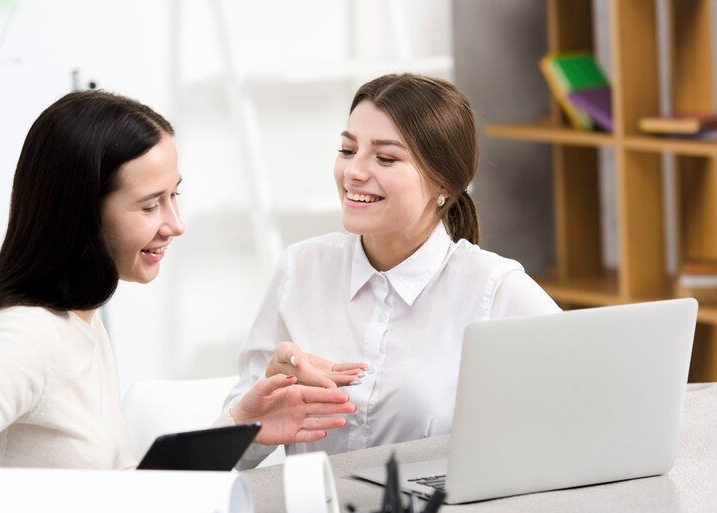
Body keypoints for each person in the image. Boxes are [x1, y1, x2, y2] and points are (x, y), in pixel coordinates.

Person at [0, 90, 355, 468]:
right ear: (82, 214)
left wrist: (242, 428)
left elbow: (118, 499)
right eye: (150, 204)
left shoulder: (81, 323)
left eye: (174, 196)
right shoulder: (21, 336)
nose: (175, 223)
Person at [224, 73, 561, 468]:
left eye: (385, 158)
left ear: (444, 184)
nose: (354, 172)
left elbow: (580, 412)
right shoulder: (301, 270)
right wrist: (253, 421)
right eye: (348, 150)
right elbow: (231, 452)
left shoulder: (495, 290)